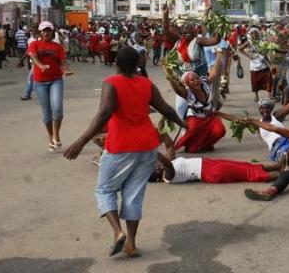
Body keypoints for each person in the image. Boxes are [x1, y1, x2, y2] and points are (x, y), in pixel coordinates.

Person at [63, 46, 187, 258]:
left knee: (104, 189)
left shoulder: (111, 83)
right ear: (137, 64)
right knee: (133, 194)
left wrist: (81, 141)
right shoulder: (146, 84)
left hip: (121, 146)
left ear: (116, 63)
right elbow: (165, 109)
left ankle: (118, 232)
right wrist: (183, 123)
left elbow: (104, 113)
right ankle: (131, 244)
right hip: (147, 146)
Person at [165, 51, 226, 153]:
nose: (196, 81)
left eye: (196, 78)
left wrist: (219, 57)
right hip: (196, 119)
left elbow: (214, 73)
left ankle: (206, 145)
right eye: (192, 80)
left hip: (210, 117)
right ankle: (191, 144)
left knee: (220, 131)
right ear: (188, 84)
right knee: (192, 149)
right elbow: (177, 89)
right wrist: (169, 74)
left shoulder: (204, 83)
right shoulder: (187, 93)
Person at [28, 21, 73, 151]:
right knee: (47, 113)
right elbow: (34, 58)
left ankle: (56, 135)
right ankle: (51, 136)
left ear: (52, 32)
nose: (46, 32)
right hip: (40, 82)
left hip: (56, 80)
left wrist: (65, 70)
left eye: (48, 30)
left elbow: (63, 61)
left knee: (58, 108)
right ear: (40, 32)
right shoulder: (34, 44)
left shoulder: (57, 46)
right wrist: (40, 66)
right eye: (44, 30)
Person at [150, 153, 285, 184]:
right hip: (210, 172)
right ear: (157, 177)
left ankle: (278, 166)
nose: (158, 166)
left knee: (245, 165)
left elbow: (169, 147)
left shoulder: (166, 166)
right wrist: (155, 151)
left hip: (208, 164)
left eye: (155, 165)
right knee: (247, 173)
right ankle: (283, 175)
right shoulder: (167, 177)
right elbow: (168, 164)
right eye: (156, 169)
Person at [238, 27, 273, 102]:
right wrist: (248, 55)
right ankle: (256, 96)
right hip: (254, 65)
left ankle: (269, 95)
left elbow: (265, 54)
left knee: (269, 79)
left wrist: (270, 63)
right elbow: (240, 49)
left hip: (263, 64)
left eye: (255, 33)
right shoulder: (249, 42)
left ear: (258, 34)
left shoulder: (261, 42)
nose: (254, 35)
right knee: (255, 82)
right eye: (252, 33)